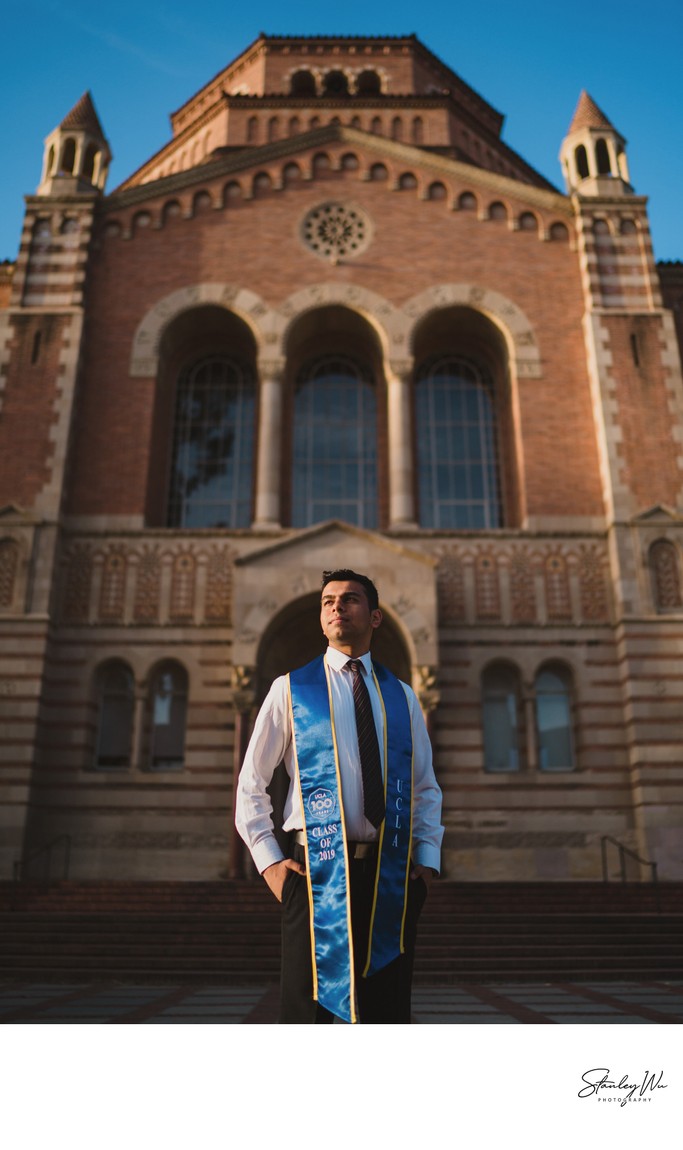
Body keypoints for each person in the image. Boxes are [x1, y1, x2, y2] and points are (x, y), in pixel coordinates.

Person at [235, 568, 443, 1024]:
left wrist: (427, 862)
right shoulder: (289, 690)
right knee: (310, 1014)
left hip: (390, 874)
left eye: (349, 599)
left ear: (374, 617)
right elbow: (251, 783)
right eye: (328, 601)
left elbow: (426, 785)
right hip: (313, 874)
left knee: (384, 1010)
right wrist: (270, 863)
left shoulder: (403, 696)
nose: (336, 607)